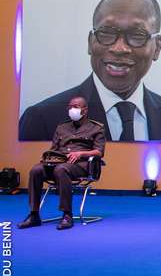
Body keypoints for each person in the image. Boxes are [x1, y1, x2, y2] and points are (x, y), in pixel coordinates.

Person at [19, 0, 161, 142]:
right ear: (91, 42)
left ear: (157, 47)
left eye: (137, 35)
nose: (119, 48)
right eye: (106, 33)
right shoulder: (43, 119)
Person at [18, 96, 106, 230]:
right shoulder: (62, 127)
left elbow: (99, 152)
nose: (72, 109)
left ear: (85, 109)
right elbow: (54, 149)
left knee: (61, 169)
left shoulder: (96, 128)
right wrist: (48, 158)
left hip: (81, 165)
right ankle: (34, 214)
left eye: (76, 107)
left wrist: (81, 153)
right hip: (59, 162)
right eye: (70, 107)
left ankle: (67, 214)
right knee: (36, 170)